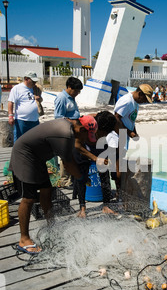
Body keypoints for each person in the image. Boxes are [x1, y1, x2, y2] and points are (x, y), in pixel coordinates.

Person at [9, 116, 98, 254]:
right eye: (87, 136)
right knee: (29, 198)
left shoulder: (71, 128)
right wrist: (81, 178)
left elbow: (72, 152)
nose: (87, 139)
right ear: (81, 129)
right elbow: (68, 164)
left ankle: (52, 225)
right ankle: (24, 239)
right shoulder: (65, 134)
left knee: (46, 190)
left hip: (37, 158)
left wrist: (84, 171)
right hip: (24, 155)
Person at [107, 84, 153, 195]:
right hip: (116, 137)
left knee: (119, 165)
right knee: (118, 167)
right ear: (140, 93)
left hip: (124, 136)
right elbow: (116, 118)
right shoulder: (127, 101)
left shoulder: (135, 103)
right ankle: (118, 193)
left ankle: (119, 192)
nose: (144, 102)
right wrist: (129, 132)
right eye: (144, 99)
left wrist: (134, 132)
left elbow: (131, 120)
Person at [72, 111, 119, 217]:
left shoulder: (107, 123)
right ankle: (82, 208)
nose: (107, 135)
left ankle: (106, 206)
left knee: (104, 174)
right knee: (81, 175)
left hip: (99, 147)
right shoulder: (85, 125)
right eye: (105, 133)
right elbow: (77, 146)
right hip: (83, 148)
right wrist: (95, 158)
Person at [54, 76, 83, 187]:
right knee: (65, 155)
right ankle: (64, 181)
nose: (77, 93)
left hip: (73, 129)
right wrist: (72, 122)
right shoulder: (62, 98)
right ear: (69, 87)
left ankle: (71, 179)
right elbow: (58, 117)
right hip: (65, 130)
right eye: (76, 90)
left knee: (73, 154)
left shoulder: (71, 97)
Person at [7, 71, 40, 141]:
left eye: (35, 81)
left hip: (35, 120)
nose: (35, 83)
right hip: (22, 120)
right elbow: (11, 102)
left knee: (34, 141)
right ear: (26, 79)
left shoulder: (35, 89)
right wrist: (10, 116)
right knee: (19, 141)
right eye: (33, 81)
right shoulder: (17, 88)